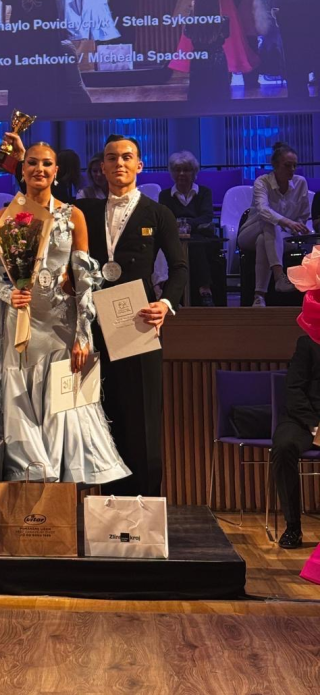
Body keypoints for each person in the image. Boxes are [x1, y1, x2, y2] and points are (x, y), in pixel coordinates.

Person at [0, 142, 130, 484]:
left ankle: (62, 488)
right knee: (20, 399)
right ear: (22, 169)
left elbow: (84, 280)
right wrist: (8, 293)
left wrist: (83, 337)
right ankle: (32, 477)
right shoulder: (5, 215)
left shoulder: (73, 216)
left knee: (65, 403)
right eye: (32, 163)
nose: (40, 169)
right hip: (21, 322)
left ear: (56, 171)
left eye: (47, 164)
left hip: (62, 324)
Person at [77, 135, 188, 496]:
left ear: (139, 165)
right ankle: (108, 508)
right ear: (102, 167)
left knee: (143, 418)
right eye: (111, 158)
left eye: (126, 157)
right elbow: (41, 197)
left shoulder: (158, 212)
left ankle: (145, 506)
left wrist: (165, 304)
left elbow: (180, 267)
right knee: (102, 416)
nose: (119, 163)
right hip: (93, 324)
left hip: (139, 323)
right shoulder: (84, 211)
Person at [270, 273, 320, 549]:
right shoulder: (307, 343)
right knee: (284, 446)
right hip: (305, 419)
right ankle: (293, 527)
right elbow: (294, 390)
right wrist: (315, 426)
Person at [237, 142, 311, 307]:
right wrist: (287, 222)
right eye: (287, 165)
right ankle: (279, 276)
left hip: (285, 237)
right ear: (275, 166)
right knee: (269, 222)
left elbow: (303, 215)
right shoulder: (262, 182)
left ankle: (259, 296)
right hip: (250, 233)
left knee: (264, 240)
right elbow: (263, 210)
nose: (292, 169)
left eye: (294, 165)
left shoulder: (301, 183)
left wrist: (296, 227)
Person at [159, 150, 220, 307]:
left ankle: (204, 290)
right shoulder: (164, 195)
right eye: (177, 170)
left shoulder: (204, 192)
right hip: (173, 237)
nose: (181, 174)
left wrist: (185, 224)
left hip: (199, 235)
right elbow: (165, 218)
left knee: (195, 245)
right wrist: (183, 224)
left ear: (194, 172)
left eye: (186, 170)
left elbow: (206, 216)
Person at [185, 0, 231, 105]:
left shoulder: (191, 21)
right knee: (220, 95)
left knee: (198, 95)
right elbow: (226, 35)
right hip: (218, 58)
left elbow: (187, 34)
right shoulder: (224, 21)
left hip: (199, 59)